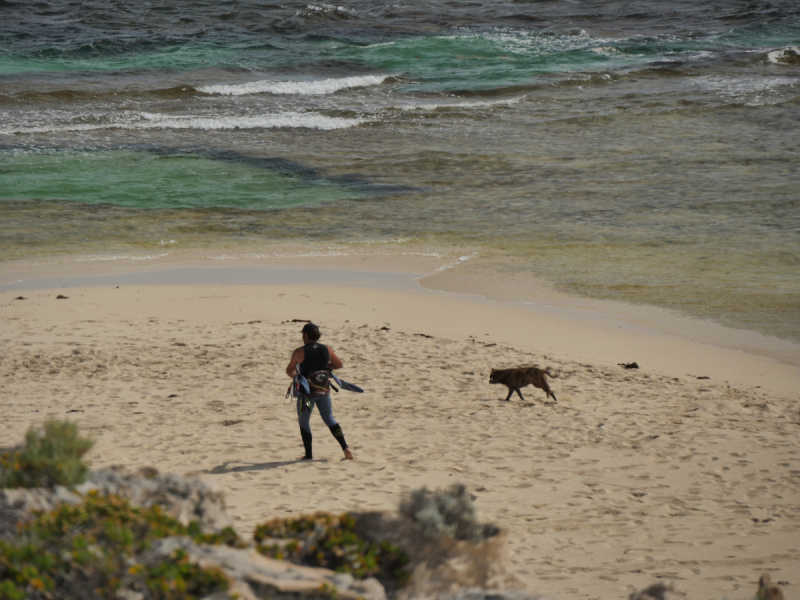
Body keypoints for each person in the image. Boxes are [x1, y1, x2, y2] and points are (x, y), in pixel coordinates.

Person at [286, 323, 354, 461]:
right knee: (329, 419)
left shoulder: (299, 352)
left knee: (304, 421)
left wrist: (297, 375)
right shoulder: (326, 349)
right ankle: (345, 448)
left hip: (307, 393)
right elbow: (339, 365)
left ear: (305, 335)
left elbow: (289, 371)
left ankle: (309, 455)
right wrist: (323, 367)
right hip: (324, 391)